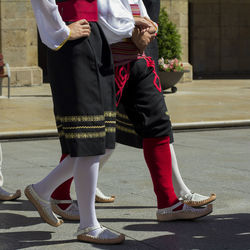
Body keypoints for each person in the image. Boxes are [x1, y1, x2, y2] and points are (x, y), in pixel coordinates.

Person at [50, 0, 215, 221]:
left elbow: (145, 18)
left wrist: (148, 29)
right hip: (109, 65)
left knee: (158, 126)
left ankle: (168, 203)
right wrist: (133, 27)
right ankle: (56, 193)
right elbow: (103, 24)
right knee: (91, 131)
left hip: (139, 62)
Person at [25, 0, 125, 244]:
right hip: (74, 42)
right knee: (89, 138)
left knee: (105, 141)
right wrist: (63, 30)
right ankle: (88, 224)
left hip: (94, 38)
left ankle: (42, 190)